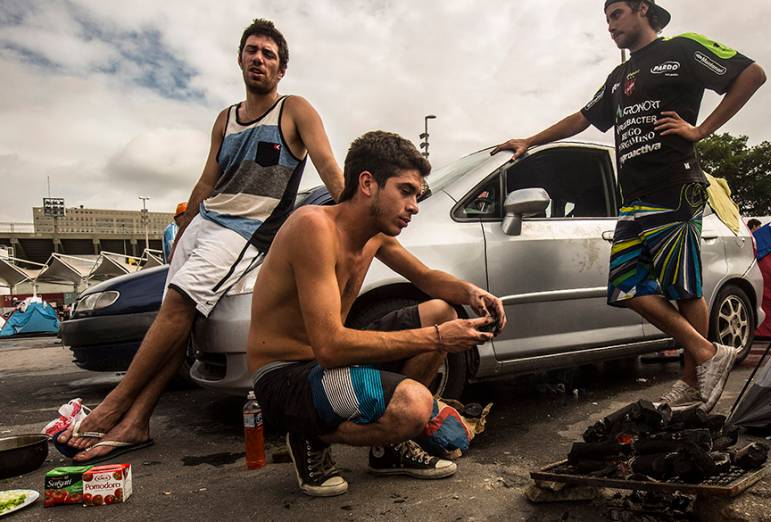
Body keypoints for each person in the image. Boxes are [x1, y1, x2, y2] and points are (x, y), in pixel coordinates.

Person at [56, 19, 345, 463]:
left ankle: (108, 411)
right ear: (239, 59)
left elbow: (328, 167)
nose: (259, 59)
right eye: (252, 51)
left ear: (281, 69)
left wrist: (358, 217)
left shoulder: (295, 110)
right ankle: (136, 424)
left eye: (269, 55)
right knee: (177, 326)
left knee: (174, 310)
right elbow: (207, 180)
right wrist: (185, 228)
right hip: (204, 226)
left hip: (244, 233)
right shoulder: (225, 119)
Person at [493, 0, 765, 411]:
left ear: (643, 9)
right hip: (633, 199)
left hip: (673, 186)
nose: (609, 25)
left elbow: (751, 74)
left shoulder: (682, 49)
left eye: (616, 14)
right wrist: (530, 140)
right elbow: (583, 118)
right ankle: (708, 352)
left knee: (683, 289)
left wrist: (701, 130)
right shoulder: (619, 76)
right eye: (605, 19)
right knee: (625, 285)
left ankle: (692, 382)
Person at [248, 130, 507, 497]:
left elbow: (426, 277)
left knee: (442, 311)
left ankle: (387, 451)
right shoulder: (313, 226)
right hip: (285, 376)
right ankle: (309, 434)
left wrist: (472, 292)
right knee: (414, 407)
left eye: (417, 195)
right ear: (367, 183)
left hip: (327, 363)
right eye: (405, 191)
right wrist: (438, 340)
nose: (415, 205)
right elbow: (330, 347)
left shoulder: (375, 236)